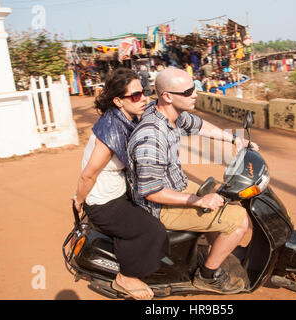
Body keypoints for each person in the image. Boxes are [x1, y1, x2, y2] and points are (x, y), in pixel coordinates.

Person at [127, 67, 258, 295]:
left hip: (176, 185)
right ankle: (207, 275)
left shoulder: (170, 114)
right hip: (159, 206)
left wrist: (235, 140)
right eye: (187, 91)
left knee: (227, 195)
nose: (194, 94)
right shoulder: (151, 136)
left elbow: (198, 125)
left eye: (194, 87)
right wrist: (197, 202)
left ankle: (214, 252)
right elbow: (151, 191)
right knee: (239, 221)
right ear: (167, 96)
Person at [73, 68, 168, 300]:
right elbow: (89, 174)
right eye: (135, 96)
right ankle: (125, 276)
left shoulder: (125, 117)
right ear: (118, 101)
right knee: (153, 230)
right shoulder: (110, 131)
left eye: (144, 92)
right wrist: (79, 200)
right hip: (103, 202)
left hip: (119, 191)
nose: (143, 98)